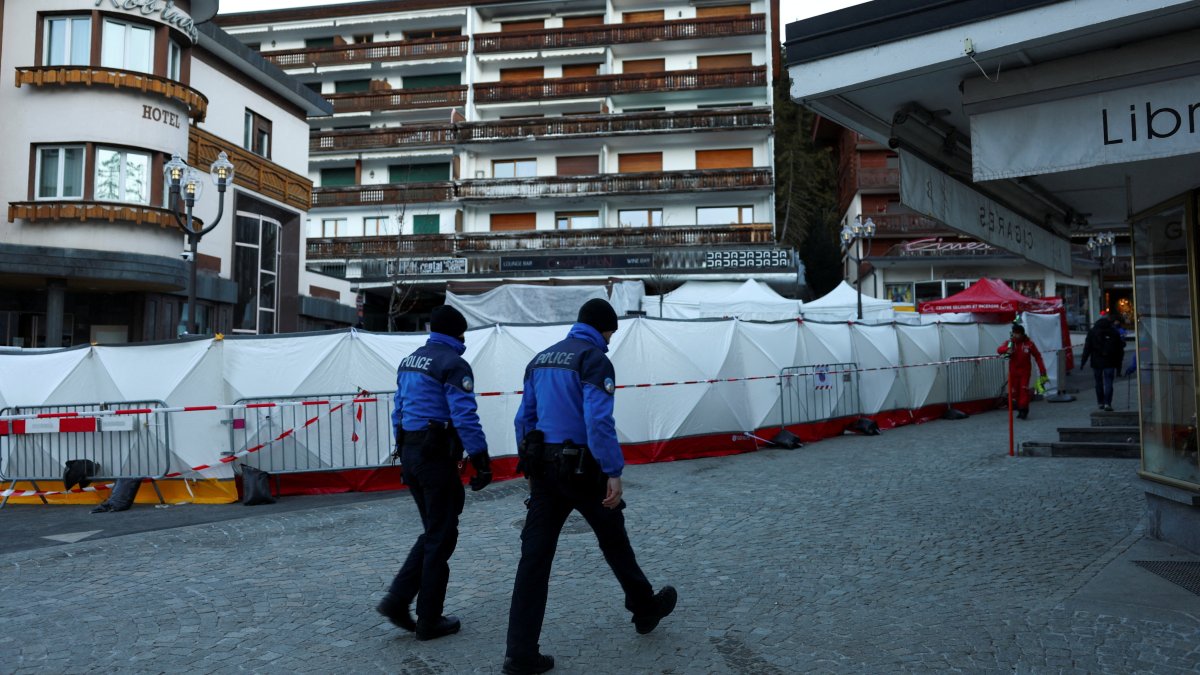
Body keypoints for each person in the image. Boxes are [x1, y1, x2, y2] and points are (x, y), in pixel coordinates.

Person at [502, 298, 676, 675]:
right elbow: (598, 421)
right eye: (611, 332)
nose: (611, 340)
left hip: (545, 473)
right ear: (604, 328)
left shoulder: (541, 360)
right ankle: (644, 609)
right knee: (614, 540)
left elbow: (524, 420)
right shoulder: (594, 360)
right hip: (585, 470)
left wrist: (531, 471)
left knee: (533, 560)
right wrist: (613, 470)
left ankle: (519, 653)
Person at [377, 305, 492, 641]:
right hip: (435, 457)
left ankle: (399, 599)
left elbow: (398, 409)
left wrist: (404, 448)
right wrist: (482, 459)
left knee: (436, 531)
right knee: (440, 535)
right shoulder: (453, 364)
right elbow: (465, 416)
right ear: (458, 333)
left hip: (412, 454)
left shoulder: (410, 360)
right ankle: (427, 618)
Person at [997, 323, 1046, 420]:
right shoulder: (1010, 343)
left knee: (1023, 390)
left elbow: (1038, 357)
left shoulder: (1029, 344)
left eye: (1017, 333)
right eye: (1014, 333)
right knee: (1015, 392)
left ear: (1022, 334)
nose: (1015, 335)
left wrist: (1042, 370)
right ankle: (1020, 409)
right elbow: (999, 349)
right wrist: (1007, 350)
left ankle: (1024, 409)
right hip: (1013, 372)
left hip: (1025, 372)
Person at [1080, 314, 1125, 411]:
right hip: (1110, 361)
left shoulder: (1093, 331)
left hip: (1097, 362)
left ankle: (1100, 402)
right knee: (1109, 382)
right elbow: (1119, 350)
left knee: (1098, 382)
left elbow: (1087, 348)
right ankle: (1107, 403)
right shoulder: (1114, 332)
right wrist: (1119, 366)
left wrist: (1083, 361)